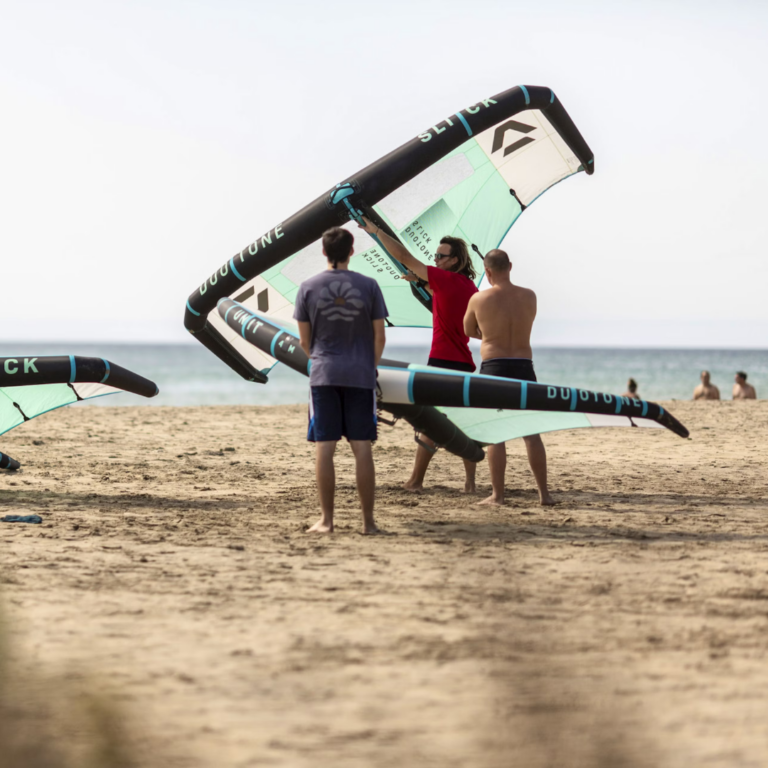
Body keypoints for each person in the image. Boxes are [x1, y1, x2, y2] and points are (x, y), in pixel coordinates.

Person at [358, 216, 479, 493]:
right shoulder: (468, 287)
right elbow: (451, 305)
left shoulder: (445, 279)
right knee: (463, 423)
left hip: (442, 362)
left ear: (455, 261)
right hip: (464, 363)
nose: (435, 260)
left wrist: (376, 231)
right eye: (435, 256)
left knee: (430, 422)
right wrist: (421, 281)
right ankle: (470, 484)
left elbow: (403, 256)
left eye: (440, 256)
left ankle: (415, 481)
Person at [294, 227, 388, 534]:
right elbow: (379, 337)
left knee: (325, 447)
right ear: (351, 251)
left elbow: (304, 341)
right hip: (360, 374)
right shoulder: (369, 285)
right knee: (362, 447)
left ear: (323, 251)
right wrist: (369, 366)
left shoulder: (307, 287)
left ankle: (327, 521)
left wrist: (322, 360)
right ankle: (368, 523)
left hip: (324, 374)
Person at [463, 249, 554, 507]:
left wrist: (490, 335)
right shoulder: (529, 296)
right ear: (510, 266)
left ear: (487, 271)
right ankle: (544, 495)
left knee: (496, 433)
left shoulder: (479, 298)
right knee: (531, 434)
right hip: (524, 367)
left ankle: (498, 495)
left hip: (495, 367)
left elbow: (467, 330)